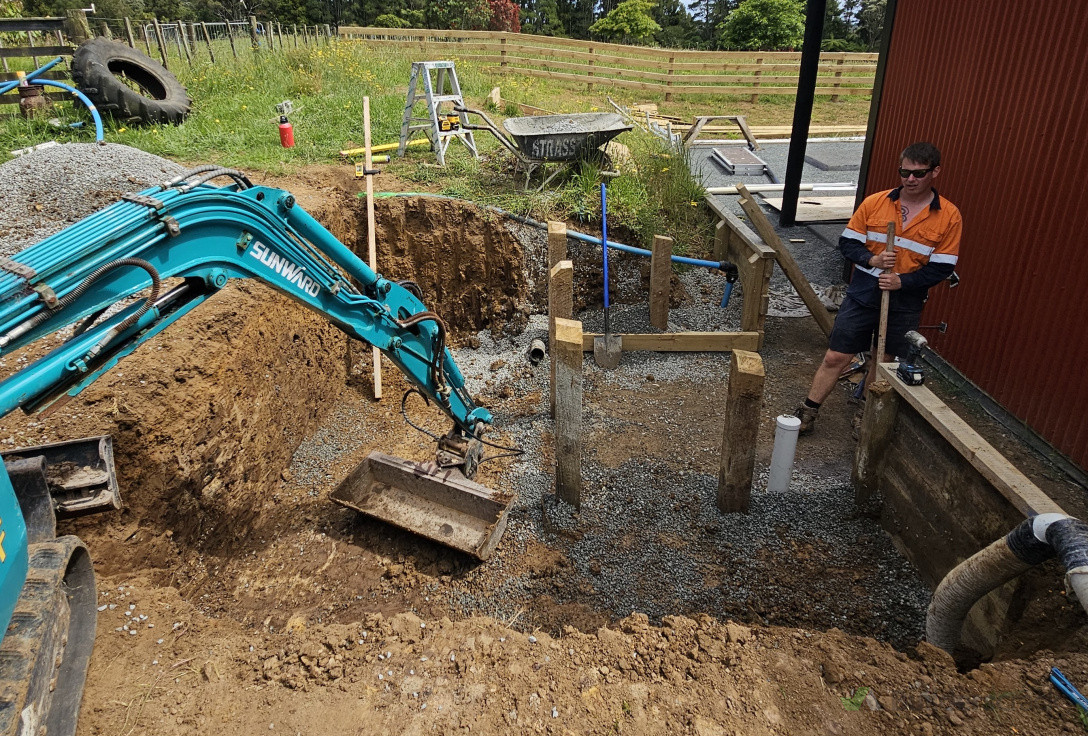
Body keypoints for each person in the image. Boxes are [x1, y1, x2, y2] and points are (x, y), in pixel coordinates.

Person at [795, 142, 962, 435]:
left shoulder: (949, 216)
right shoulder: (877, 202)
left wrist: (902, 281)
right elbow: (847, 243)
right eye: (905, 172)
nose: (910, 179)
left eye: (919, 173)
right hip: (863, 292)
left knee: (882, 359)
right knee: (836, 355)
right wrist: (870, 258)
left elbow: (942, 267)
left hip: (905, 299)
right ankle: (808, 410)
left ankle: (864, 412)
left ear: (935, 172)